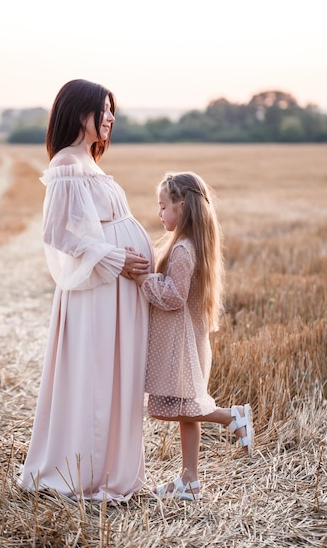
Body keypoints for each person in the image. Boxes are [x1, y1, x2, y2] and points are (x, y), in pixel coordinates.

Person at [18, 79, 153, 502]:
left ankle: (108, 467)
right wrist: (116, 261)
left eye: (113, 110)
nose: (111, 118)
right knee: (94, 377)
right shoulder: (66, 163)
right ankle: (81, 470)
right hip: (97, 290)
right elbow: (58, 233)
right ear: (80, 113)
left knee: (113, 376)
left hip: (114, 290)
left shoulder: (88, 161)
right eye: (104, 110)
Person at [131, 172, 253, 501]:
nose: (159, 214)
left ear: (182, 207)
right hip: (188, 340)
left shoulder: (183, 250)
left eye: (163, 207)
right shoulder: (191, 244)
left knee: (165, 408)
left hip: (179, 346)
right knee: (186, 408)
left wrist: (143, 279)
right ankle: (190, 481)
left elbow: (173, 296)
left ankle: (231, 416)